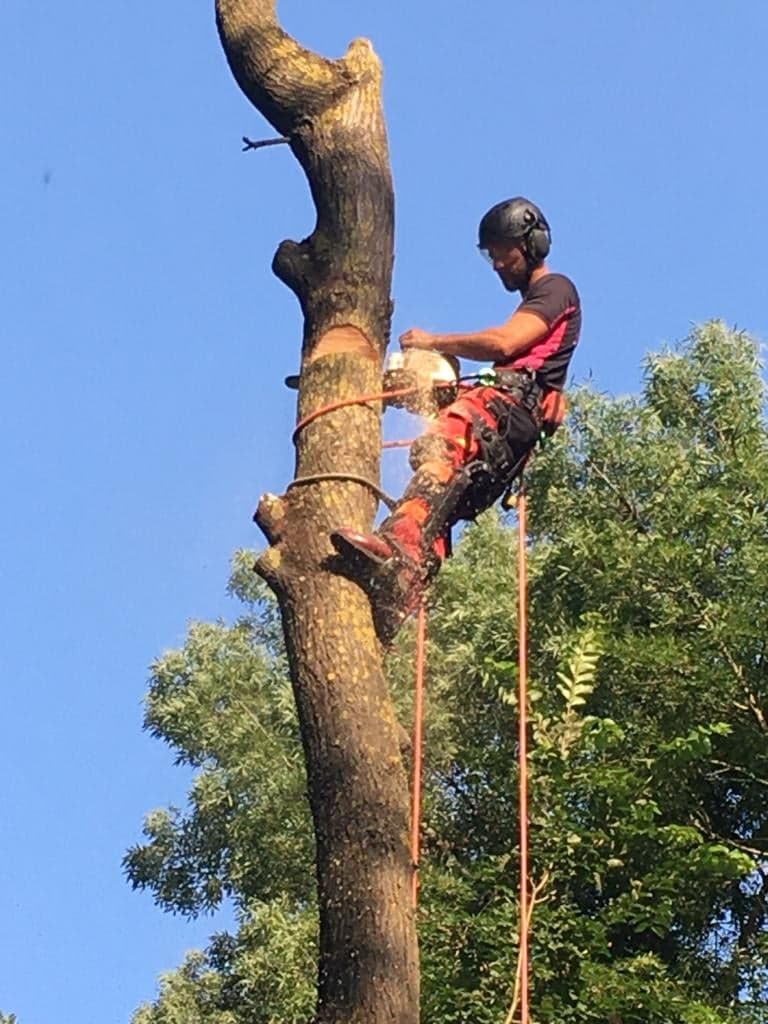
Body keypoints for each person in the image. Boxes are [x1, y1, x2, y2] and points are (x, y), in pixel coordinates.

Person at [332, 196, 581, 643]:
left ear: (531, 244)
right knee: (445, 500)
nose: (497, 264)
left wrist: (433, 341)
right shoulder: (542, 313)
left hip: (504, 412)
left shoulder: (556, 289)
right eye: (491, 254)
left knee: (441, 444)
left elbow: (506, 344)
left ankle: (398, 541)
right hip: (508, 429)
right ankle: (399, 591)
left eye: (503, 251)